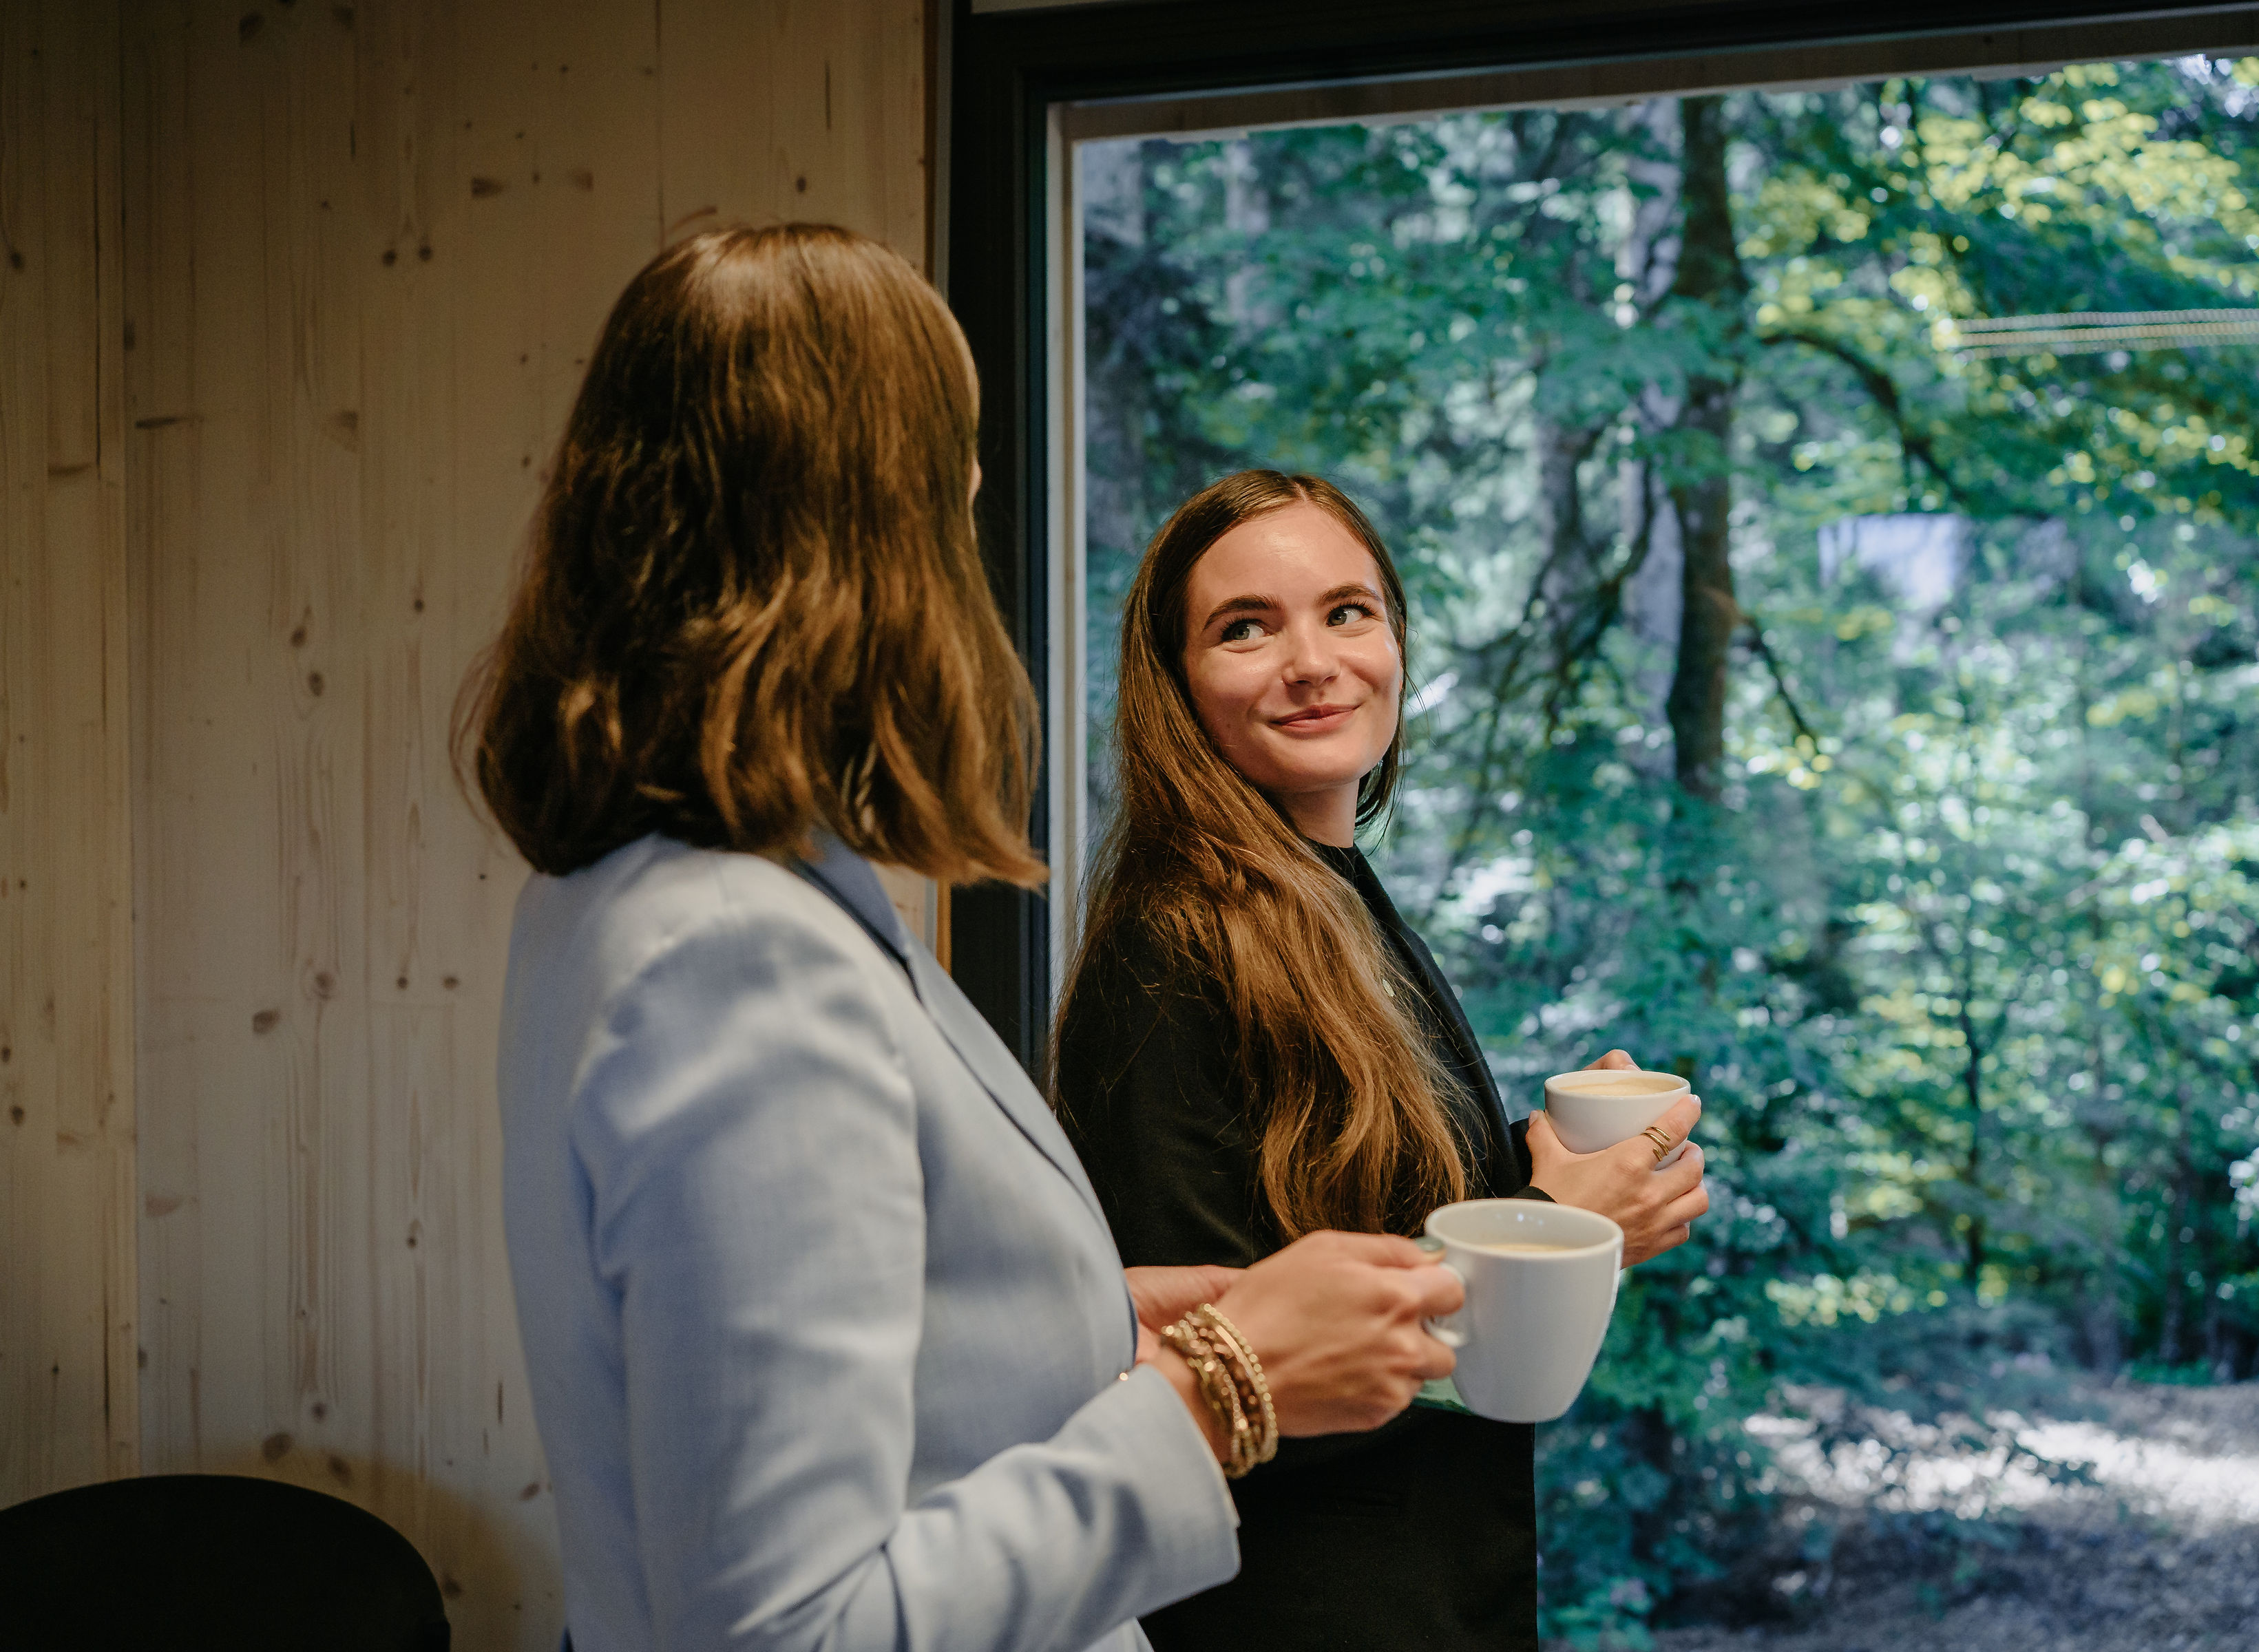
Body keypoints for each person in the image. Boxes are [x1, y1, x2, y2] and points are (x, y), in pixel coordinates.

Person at [464, 230, 1468, 1652]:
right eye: (958, 462)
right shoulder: (731, 959)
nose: (979, 501)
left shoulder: (649, 890)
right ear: (866, 526)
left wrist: (1090, 1315)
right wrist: (1226, 1385)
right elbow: (790, 1630)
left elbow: (845, 1335)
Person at [1053, 470, 1712, 1652]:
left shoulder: (1334, 897)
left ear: (1397, 640)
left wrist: (1565, 1191)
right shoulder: (1168, 952)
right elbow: (1223, 1373)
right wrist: (1549, 1220)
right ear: (1177, 687)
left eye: (1347, 611)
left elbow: (1365, 1230)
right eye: (1246, 628)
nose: (1312, 661)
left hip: (1446, 1590)